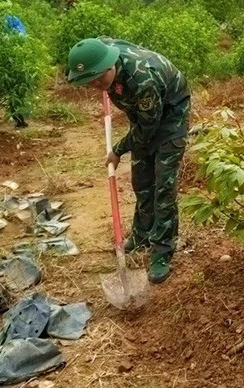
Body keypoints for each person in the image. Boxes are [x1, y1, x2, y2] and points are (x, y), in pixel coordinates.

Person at [66, 37, 190, 284]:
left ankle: (162, 251)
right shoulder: (102, 53)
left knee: (162, 188)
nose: (97, 86)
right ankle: (143, 234)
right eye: (90, 83)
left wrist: (118, 150)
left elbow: (147, 128)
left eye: (99, 80)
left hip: (169, 117)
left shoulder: (143, 81)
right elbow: (98, 43)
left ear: (110, 67)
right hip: (144, 118)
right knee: (142, 182)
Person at [0, 11, 28, 128]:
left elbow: (21, 34)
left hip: (4, 58)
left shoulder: (10, 19)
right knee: (8, 89)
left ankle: (16, 120)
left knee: (0, 89)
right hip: (2, 58)